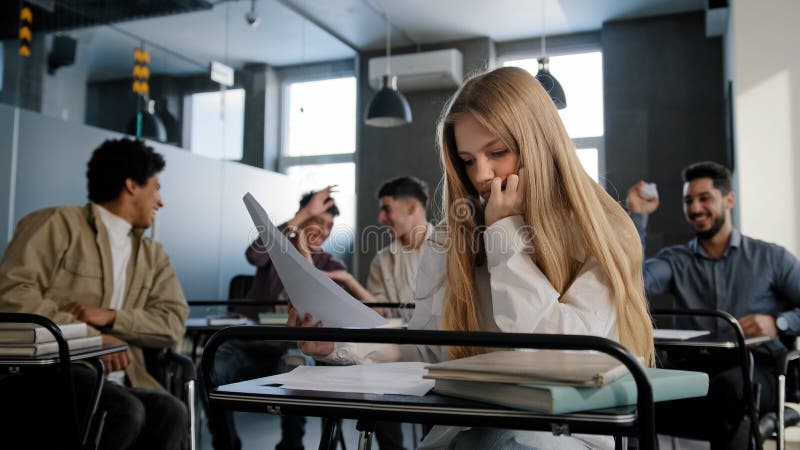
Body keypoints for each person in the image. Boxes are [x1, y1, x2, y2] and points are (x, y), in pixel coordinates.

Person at [289, 66, 655, 450]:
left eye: (497, 152)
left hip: (562, 431)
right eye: (467, 159)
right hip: (469, 424)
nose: (481, 174)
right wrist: (336, 345)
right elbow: (430, 350)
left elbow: (562, 357)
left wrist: (504, 236)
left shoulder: (601, 231)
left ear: (540, 145)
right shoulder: (453, 236)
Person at [0, 138, 189, 450]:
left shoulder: (154, 255)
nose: (160, 201)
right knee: (123, 411)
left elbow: (173, 323)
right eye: (155, 188)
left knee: (171, 412)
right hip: (52, 372)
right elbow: (12, 295)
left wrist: (113, 318)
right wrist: (92, 339)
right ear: (131, 185)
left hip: (126, 377)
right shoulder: (56, 223)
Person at [626, 161, 800, 449]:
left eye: (704, 198)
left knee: (730, 389)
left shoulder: (771, 258)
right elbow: (633, 284)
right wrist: (638, 217)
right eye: (688, 201)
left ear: (728, 199)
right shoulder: (676, 260)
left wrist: (777, 323)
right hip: (692, 366)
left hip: (754, 368)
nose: (695, 208)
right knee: (637, 386)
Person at [206, 188, 347, 450]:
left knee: (296, 365)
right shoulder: (276, 248)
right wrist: (302, 215)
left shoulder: (331, 265)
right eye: (318, 221)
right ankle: (226, 444)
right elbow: (253, 255)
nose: (324, 231)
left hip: (293, 347)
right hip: (252, 343)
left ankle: (291, 445)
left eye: (330, 226)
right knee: (211, 364)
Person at [367, 176, 434, 320]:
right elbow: (379, 314)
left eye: (386, 209)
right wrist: (349, 281)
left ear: (412, 208)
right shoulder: (381, 261)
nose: (380, 218)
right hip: (398, 342)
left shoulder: (452, 250)